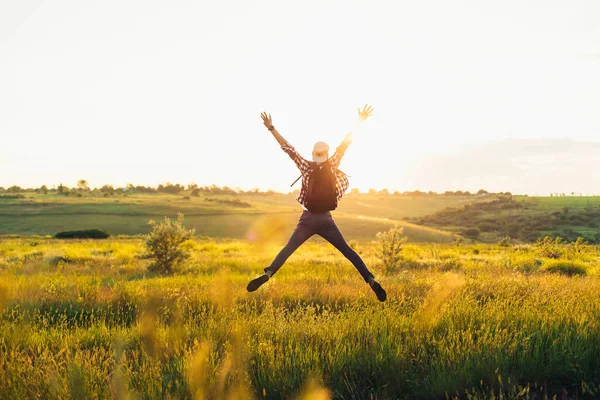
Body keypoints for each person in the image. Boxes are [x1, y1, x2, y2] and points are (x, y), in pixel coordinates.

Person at [246, 105, 387, 301]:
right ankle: (370, 279)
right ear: (327, 153)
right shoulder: (333, 163)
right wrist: (359, 121)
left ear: (313, 153)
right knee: (347, 251)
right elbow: (345, 144)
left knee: (288, 248)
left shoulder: (305, 166)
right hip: (326, 220)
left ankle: (269, 273)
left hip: (307, 219)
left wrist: (271, 127)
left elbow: (287, 147)